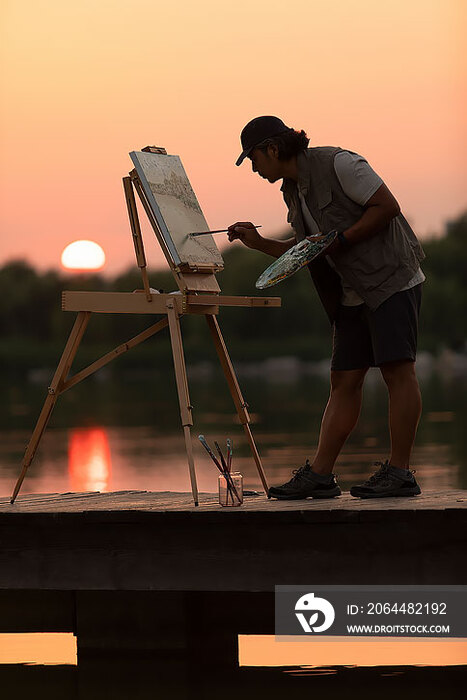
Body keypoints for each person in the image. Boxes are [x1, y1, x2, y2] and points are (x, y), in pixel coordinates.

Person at [229, 115, 425, 500]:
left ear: (272, 148)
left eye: (253, 158)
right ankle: (320, 476)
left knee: (397, 372)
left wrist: (342, 240)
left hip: (392, 280)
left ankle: (400, 472)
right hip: (351, 294)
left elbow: (387, 206)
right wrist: (257, 243)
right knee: (343, 381)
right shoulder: (292, 190)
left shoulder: (340, 163)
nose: (253, 168)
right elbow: (304, 251)